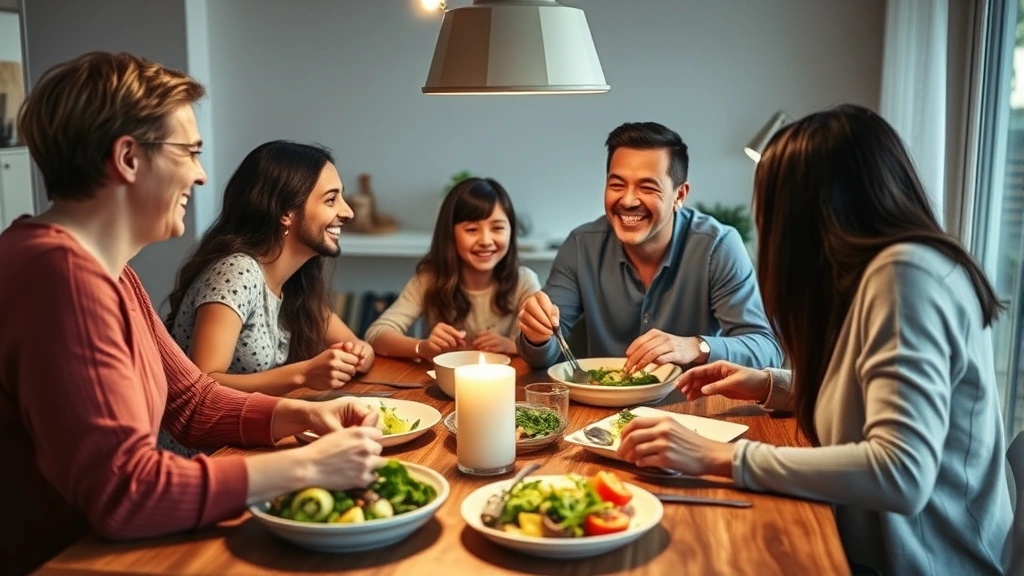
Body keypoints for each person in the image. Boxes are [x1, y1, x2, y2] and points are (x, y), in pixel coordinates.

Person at [0, 52, 384, 574]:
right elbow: (125, 493)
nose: (202, 176)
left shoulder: (112, 271)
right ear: (129, 158)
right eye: (190, 152)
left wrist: (301, 415)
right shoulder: (63, 278)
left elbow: (192, 401)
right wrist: (303, 466)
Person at [619, 105, 1011, 575]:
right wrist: (775, 385)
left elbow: (901, 472)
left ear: (809, 210)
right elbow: (878, 397)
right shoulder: (893, 270)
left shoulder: (905, 276)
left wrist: (719, 456)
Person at [517, 122, 781, 373]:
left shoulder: (718, 246)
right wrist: (536, 336)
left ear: (679, 195)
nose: (628, 200)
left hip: (693, 410)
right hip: (603, 410)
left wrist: (696, 346)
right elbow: (544, 355)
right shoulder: (580, 246)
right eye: (617, 185)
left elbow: (767, 350)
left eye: (647, 187)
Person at [166, 140, 374, 398]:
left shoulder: (296, 281)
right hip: (212, 440)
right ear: (286, 212)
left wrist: (360, 355)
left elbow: (356, 346)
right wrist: (304, 374)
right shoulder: (236, 272)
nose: (348, 212)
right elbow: (204, 385)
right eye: (331, 199)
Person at [365, 177, 540, 358]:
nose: (486, 241)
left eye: (497, 228)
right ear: (450, 234)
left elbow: (545, 347)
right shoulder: (430, 280)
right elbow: (376, 334)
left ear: (511, 231)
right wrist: (423, 347)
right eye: (472, 230)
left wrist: (512, 345)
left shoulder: (524, 281)